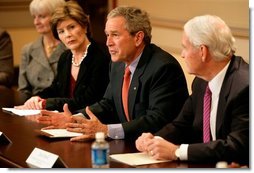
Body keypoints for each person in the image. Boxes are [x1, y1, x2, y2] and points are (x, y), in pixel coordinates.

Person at [39, 6, 189, 141]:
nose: (108, 42)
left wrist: (107, 130)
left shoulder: (163, 67)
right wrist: (74, 119)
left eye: (115, 35)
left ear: (138, 38)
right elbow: (108, 104)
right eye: (107, 35)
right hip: (130, 145)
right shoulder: (117, 63)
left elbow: (156, 120)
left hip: (162, 150)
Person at [135, 15, 249, 165]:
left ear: (203, 51)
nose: (182, 54)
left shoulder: (244, 86)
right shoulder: (200, 82)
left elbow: (236, 146)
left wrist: (176, 151)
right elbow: (181, 125)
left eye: (184, 47)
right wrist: (154, 140)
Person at [15, 1, 110, 112]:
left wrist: (46, 103)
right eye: (61, 31)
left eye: (72, 27)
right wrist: (37, 97)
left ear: (85, 26)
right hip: (65, 119)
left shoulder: (100, 57)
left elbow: (88, 100)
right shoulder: (65, 57)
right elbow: (55, 89)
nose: (68, 35)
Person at [18, 0, 66, 99]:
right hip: (34, 108)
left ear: (56, 17)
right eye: (34, 17)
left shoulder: (69, 48)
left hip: (63, 107)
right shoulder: (27, 50)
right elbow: (23, 90)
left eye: (42, 16)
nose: (36, 22)